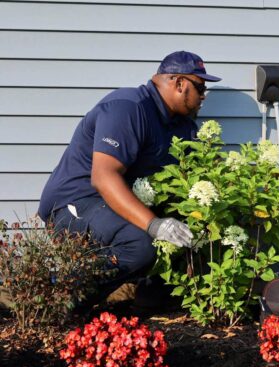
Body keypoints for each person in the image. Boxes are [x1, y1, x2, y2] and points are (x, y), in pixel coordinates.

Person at [38, 51, 222, 303]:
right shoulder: (128, 108)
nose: (203, 96)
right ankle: (56, 299)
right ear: (179, 83)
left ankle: (126, 293)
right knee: (140, 243)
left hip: (112, 208)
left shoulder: (183, 126)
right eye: (200, 87)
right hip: (75, 202)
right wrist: (155, 225)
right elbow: (104, 178)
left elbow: (199, 176)